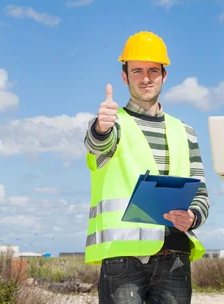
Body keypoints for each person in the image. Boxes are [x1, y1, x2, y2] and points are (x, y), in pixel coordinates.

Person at [83, 31, 209, 304]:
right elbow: (97, 146)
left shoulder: (184, 131)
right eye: (137, 70)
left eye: (153, 70)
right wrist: (100, 127)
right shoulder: (112, 124)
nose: (146, 77)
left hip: (175, 256)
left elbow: (200, 192)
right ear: (124, 76)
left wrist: (192, 217)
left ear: (164, 76)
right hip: (123, 259)